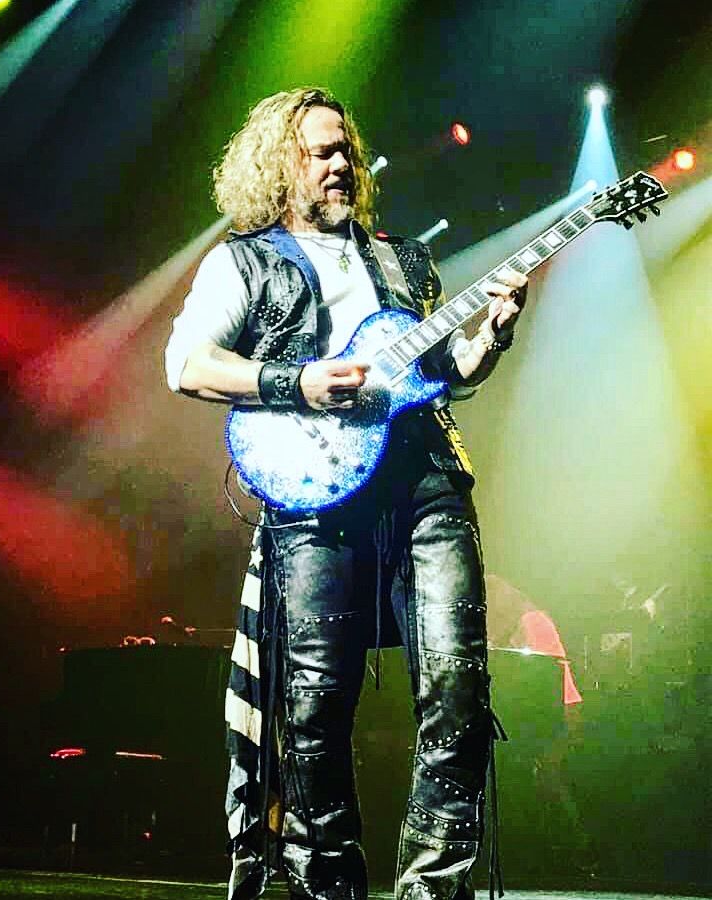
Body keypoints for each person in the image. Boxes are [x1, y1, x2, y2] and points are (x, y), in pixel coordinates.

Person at [164, 87, 527, 900]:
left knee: (459, 689)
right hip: (313, 493)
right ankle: (327, 887)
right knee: (314, 708)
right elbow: (187, 364)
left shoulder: (405, 260)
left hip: (426, 480)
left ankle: (433, 888)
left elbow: (438, 376)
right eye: (319, 151)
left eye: (345, 151)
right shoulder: (244, 260)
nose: (339, 164)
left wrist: (489, 340)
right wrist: (295, 381)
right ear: (278, 164)